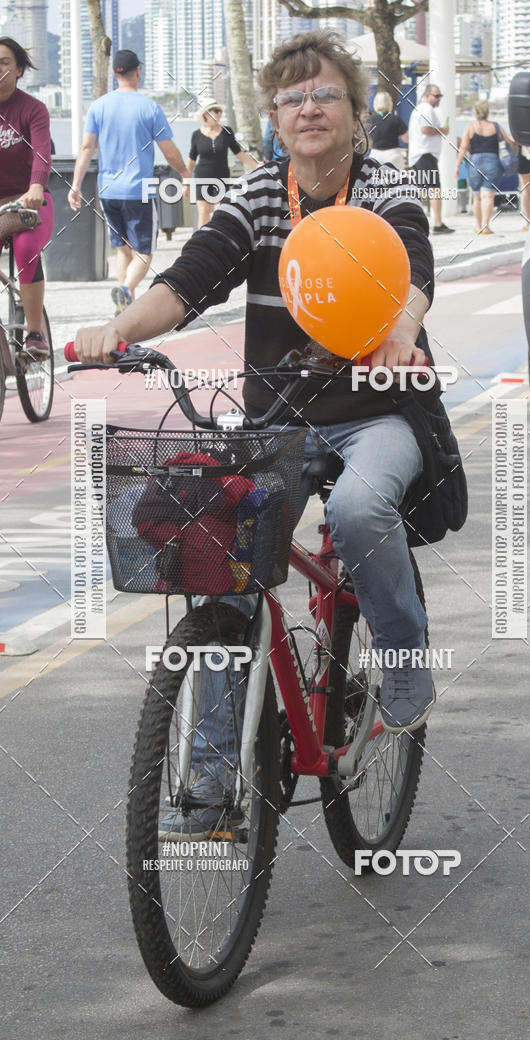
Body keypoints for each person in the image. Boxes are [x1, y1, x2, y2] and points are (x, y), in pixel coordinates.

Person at [73, 30, 438, 836]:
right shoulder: (262, 194)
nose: (309, 108)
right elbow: (187, 280)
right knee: (222, 558)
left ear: (355, 112)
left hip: (379, 409)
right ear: (273, 117)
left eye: (326, 93)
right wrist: (116, 329)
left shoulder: (384, 187)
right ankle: (210, 789)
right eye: (292, 97)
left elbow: (412, 271)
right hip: (280, 419)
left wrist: (399, 331)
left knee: (358, 512)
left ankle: (406, 660)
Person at [68, 50, 190, 316]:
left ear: (115, 74)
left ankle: (124, 312)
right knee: (144, 253)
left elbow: (86, 148)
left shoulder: (98, 106)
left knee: (122, 250)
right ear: (138, 72)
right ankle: (125, 289)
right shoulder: (149, 108)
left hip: (108, 191)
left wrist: (75, 185)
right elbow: (169, 150)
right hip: (138, 190)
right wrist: (185, 174)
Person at [0, 37, 54, 359]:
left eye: (4, 62)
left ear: (19, 69)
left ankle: (35, 334)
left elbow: (42, 154)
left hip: (29, 201)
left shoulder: (33, 109)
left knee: (26, 247)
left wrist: (35, 187)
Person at [187, 97, 258, 228]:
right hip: (201, 177)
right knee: (203, 214)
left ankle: (216, 239)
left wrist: (256, 165)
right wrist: (185, 183)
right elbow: (191, 160)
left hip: (221, 177)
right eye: (215, 111)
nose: (219, 113)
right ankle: (202, 240)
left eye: (219, 111)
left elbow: (239, 153)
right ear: (206, 114)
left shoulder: (227, 132)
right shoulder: (196, 135)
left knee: (219, 213)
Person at [455, 101, 514, 235]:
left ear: (475, 112)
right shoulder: (495, 126)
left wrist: (457, 165)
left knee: (477, 196)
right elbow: (508, 142)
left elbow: (463, 147)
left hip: (475, 162)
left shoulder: (470, 127)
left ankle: (478, 226)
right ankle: (485, 227)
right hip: (493, 162)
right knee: (488, 195)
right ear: (487, 112)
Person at [408, 83, 454, 234]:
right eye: (437, 96)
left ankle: (416, 222)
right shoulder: (426, 109)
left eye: (440, 96)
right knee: (434, 189)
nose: (439, 99)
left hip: (420, 154)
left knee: (422, 190)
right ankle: (437, 223)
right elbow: (425, 129)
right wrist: (442, 131)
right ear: (427, 95)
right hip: (425, 154)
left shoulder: (420, 109)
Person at [366, 90, 407, 169]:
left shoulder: (369, 120)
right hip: (393, 155)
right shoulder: (396, 119)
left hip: (375, 156)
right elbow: (405, 139)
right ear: (389, 103)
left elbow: (368, 143)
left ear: (375, 103)